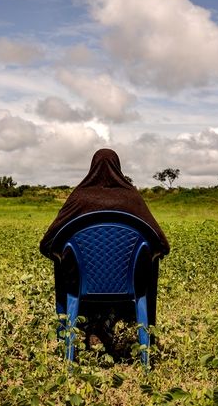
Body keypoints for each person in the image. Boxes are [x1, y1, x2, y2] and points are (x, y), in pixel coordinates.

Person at [39, 148, 169, 350]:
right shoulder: (132, 198)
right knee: (149, 262)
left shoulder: (79, 197)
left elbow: (47, 244)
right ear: (119, 169)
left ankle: (85, 324)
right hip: (129, 286)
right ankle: (118, 323)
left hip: (82, 285)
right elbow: (161, 245)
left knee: (64, 261)